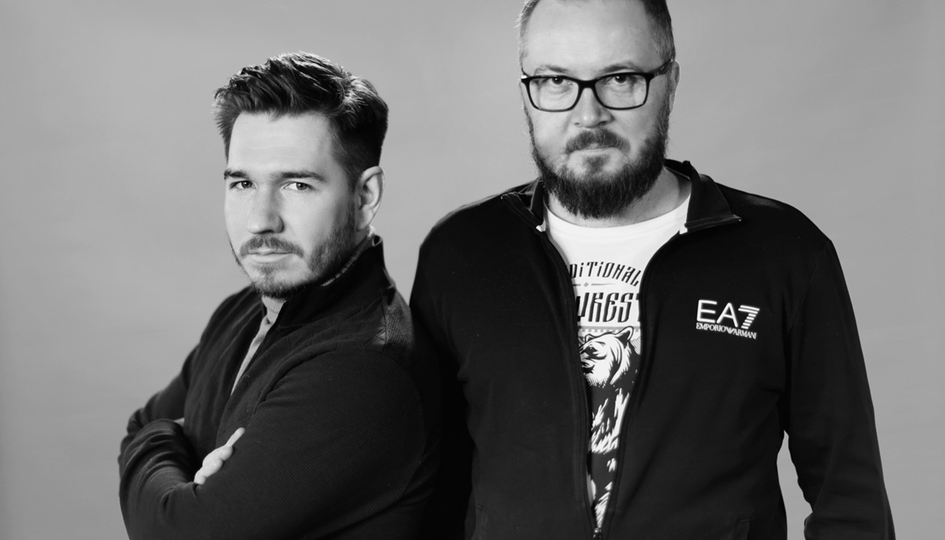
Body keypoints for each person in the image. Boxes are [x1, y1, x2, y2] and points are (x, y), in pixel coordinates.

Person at [411, 0, 894, 538]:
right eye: (555, 81)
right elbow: (428, 487)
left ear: (670, 82)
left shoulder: (784, 253)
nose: (588, 115)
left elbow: (850, 499)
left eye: (620, 78)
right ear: (528, 90)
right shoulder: (462, 253)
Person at [118, 52, 438, 540]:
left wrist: (163, 444)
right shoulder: (243, 311)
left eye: (297, 184)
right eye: (243, 183)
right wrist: (163, 441)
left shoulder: (361, 369)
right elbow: (142, 424)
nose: (260, 220)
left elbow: (175, 531)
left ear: (365, 196)